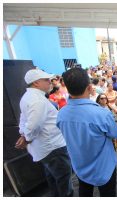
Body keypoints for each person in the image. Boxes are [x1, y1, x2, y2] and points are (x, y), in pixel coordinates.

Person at [57, 68, 117, 197]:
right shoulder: (101, 113)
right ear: (89, 87)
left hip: (80, 166)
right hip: (104, 167)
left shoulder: (61, 113)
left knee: (84, 192)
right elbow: (115, 134)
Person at [15, 69, 73, 197]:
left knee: (54, 180)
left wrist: (23, 135)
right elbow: (33, 124)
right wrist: (27, 138)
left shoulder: (28, 97)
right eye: (46, 80)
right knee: (63, 181)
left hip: (46, 148)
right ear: (36, 83)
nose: (50, 82)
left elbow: (23, 119)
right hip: (53, 148)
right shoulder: (37, 100)